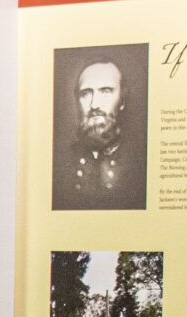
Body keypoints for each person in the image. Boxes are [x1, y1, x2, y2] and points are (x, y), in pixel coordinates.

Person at [54, 58, 143, 209]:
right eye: (86, 94)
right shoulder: (58, 165)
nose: (94, 104)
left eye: (106, 92)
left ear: (122, 101)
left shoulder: (140, 163)